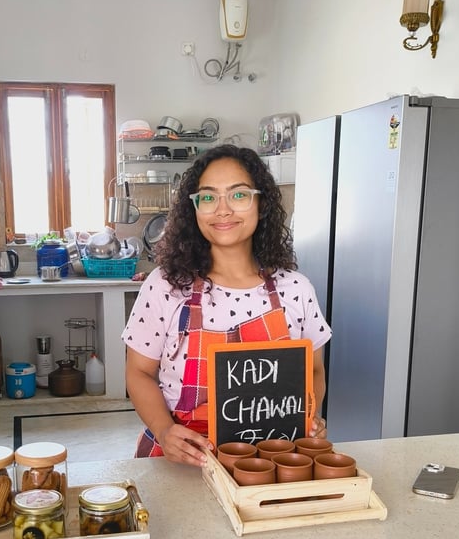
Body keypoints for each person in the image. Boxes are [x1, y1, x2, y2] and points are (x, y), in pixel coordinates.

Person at [121, 144, 331, 467]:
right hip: (184, 459)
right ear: (194, 209)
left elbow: (313, 370)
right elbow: (138, 373)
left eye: (238, 195)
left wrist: (308, 414)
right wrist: (164, 431)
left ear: (261, 204)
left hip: (272, 463)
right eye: (208, 197)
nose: (222, 210)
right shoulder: (165, 286)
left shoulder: (296, 289)